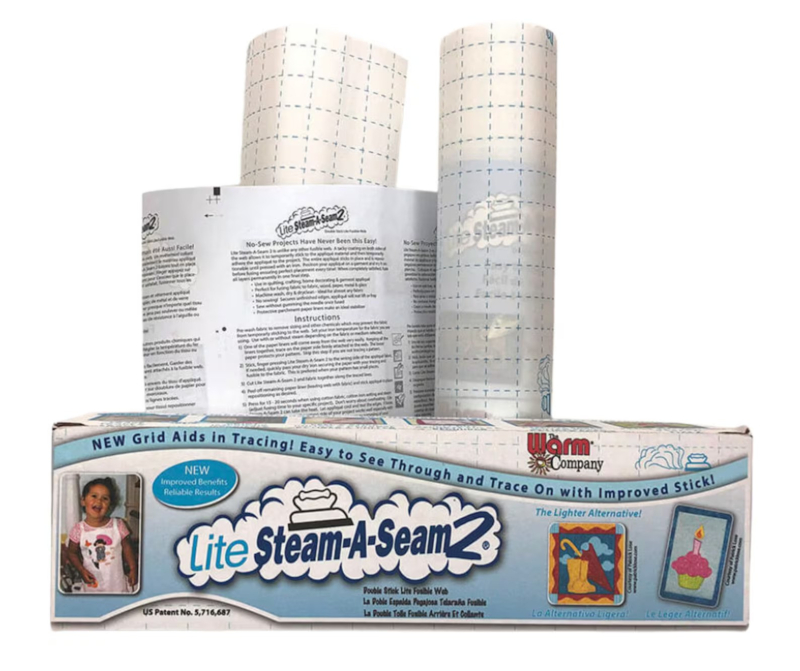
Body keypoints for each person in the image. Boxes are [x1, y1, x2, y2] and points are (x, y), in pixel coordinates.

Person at [65, 477, 138, 593]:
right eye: (94, 496)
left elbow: (127, 547)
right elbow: (71, 552)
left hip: (116, 583)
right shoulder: (78, 529)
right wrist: (81, 570)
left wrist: (133, 568)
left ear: (110, 505)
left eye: (105, 498)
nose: (99, 501)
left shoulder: (118, 525)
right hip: (92, 583)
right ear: (83, 501)